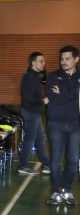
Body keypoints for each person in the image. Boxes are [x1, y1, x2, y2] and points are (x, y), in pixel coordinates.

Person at [45, 45, 80, 205]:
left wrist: (63, 93)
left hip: (76, 125)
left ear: (76, 59)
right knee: (56, 161)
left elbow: (65, 96)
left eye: (67, 59)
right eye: (62, 59)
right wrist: (73, 93)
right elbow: (53, 97)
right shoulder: (52, 76)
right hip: (56, 124)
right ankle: (55, 191)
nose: (63, 62)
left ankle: (66, 188)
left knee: (73, 161)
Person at [18, 52, 50, 175]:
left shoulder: (36, 76)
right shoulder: (29, 77)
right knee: (30, 140)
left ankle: (46, 164)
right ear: (33, 63)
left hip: (34, 112)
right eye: (41, 61)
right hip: (30, 112)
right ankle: (23, 166)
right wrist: (43, 100)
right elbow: (27, 98)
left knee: (40, 139)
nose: (43, 63)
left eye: (44, 61)